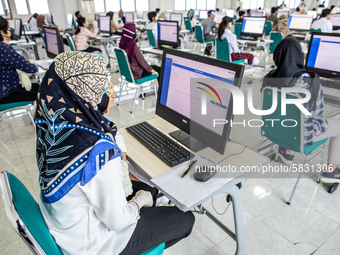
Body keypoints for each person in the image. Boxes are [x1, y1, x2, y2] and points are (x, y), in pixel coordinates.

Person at [36, 51, 194, 255]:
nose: (110, 88)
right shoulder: (96, 149)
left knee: (150, 189)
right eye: (103, 82)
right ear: (85, 91)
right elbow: (118, 222)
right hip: (96, 245)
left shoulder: (52, 125)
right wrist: (138, 202)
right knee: (186, 220)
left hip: (66, 228)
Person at [262, 35, 340, 183]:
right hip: (302, 137)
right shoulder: (309, 82)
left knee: (292, 117)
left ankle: (287, 152)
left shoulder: (268, 79)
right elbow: (317, 115)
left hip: (274, 130)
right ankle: (331, 170)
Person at [0, 17, 39, 105]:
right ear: (2, 32)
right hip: (6, 95)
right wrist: (33, 64)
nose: (10, 30)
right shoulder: (3, 48)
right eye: (7, 28)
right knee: (44, 94)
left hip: (6, 90)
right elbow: (31, 69)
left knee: (38, 86)